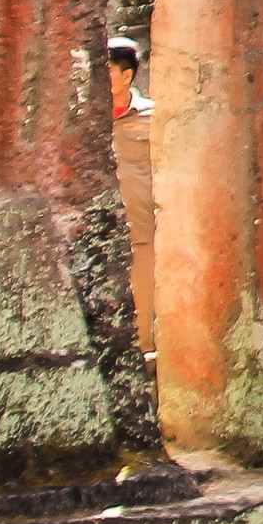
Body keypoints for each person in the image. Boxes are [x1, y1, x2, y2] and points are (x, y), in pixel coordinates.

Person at [107, 38, 155, 349]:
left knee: (143, 301)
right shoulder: (84, 115)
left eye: (108, 71)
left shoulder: (152, 116)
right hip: (101, 227)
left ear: (127, 76)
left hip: (140, 228)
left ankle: (146, 356)